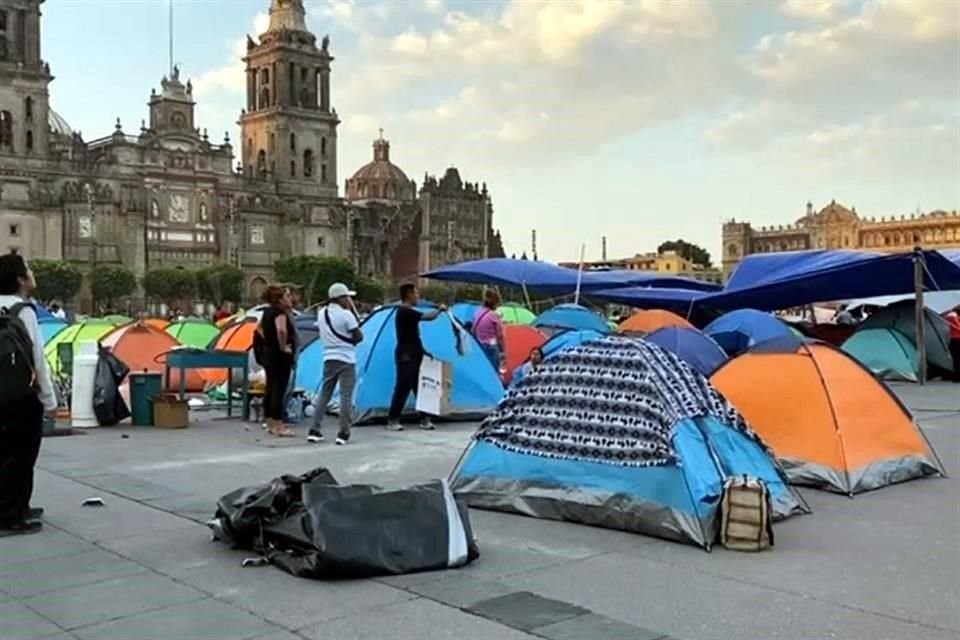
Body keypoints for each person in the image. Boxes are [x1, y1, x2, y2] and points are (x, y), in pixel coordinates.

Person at [0, 254, 57, 537]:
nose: (33, 273)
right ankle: (11, 515)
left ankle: (17, 506)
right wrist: (50, 400)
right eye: (29, 270)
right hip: (21, 395)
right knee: (22, 454)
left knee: (4, 453)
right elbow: (38, 358)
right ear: (20, 279)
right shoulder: (24, 311)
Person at [308, 283, 363, 445]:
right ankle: (343, 432)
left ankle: (314, 429)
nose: (349, 300)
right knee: (346, 396)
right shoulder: (346, 315)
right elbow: (359, 336)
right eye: (347, 297)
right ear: (340, 298)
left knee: (324, 394)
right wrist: (352, 313)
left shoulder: (321, 313)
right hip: (346, 358)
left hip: (328, 357)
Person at [387, 284, 445, 431]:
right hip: (406, 355)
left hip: (415, 352)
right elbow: (427, 317)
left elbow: (413, 336)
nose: (418, 297)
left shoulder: (408, 312)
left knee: (419, 387)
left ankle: (425, 419)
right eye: (416, 293)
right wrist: (439, 310)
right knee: (403, 386)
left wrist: (423, 351)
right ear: (409, 294)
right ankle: (393, 419)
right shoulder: (404, 311)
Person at [256, 286, 296, 437]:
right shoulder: (280, 313)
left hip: (269, 354)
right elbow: (281, 330)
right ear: (280, 299)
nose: (289, 299)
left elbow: (258, 328)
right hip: (280, 356)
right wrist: (282, 346)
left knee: (270, 387)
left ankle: (270, 422)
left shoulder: (267, 312)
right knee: (279, 390)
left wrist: (269, 340)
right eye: (287, 296)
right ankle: (279, 426)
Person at [472, 290, 506, 371]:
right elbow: (500, 335)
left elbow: (473, 330)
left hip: (479, 346)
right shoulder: (493, 315)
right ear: (495, 303)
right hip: (491, 346)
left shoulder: (477, 312)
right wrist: (504, 350)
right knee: (493, 371)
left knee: (482, 370)